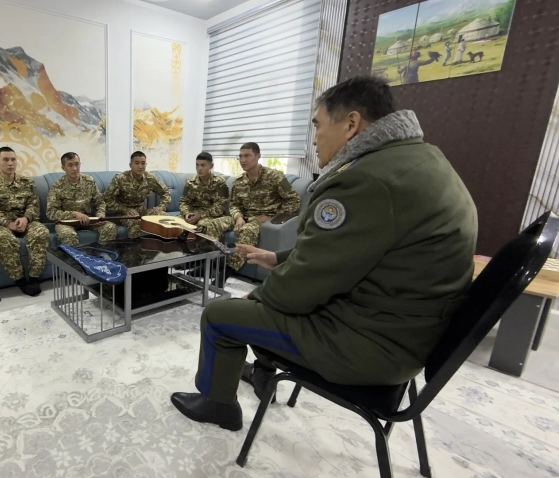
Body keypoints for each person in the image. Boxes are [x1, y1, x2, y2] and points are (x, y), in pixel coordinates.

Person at [170, 75, 478, 431]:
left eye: (317, 125)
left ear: (350, 123)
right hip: (406, 334)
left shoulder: (365, 178)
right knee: (264, 304)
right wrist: (276, 259)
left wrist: (256, 298)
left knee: (220, 314)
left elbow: (303, 286)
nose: (314, 139)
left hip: (369, 345)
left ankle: (218, 405)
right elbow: (346, 251)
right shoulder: (424, 158)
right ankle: (261, 371)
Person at [225, 142, 300, 278]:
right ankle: (205, 261)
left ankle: (225, 272)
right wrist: (238, 217)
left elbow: (293, 200)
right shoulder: (239, 181)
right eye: (240, 156)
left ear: (258, 156)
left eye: (247, 156)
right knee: (211, 224)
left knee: (247, 230)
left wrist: (273, 218)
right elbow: (234, 205)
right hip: (244, 217)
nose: (243, 160)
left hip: (262, 219)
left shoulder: (275, 176)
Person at [0, 146, 49, 297]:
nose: (10, 163)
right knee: (4, 239)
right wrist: (8, 223)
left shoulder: (27, 182)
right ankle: (20, 281)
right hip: (2, 224)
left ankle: (34, 278)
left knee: (41, 232)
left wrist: (26, 218)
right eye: (5, 160)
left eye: (13, 159)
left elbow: (33, 204)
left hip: (25, 221)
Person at [46, 152, 116, 246]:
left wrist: (100, 215)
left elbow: (100, 203)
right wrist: (74, 214)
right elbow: (51, 213)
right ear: (63, 168)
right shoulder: (57, 186)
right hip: (66, 223)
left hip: (88, 220)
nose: (75, 168)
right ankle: (75, 255)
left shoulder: (89, 181)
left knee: (110, 227)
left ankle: (101, 253)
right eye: (70, 165)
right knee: (67, 234)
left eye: (77, 164)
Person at [103, 151, 170, 238]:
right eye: (137, 163)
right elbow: (106, 199)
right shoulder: (120, 179)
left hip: (141, 210)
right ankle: (137, 246)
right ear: (130, 165)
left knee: (165, 217)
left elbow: (165, 192)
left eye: (143, 163)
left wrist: (161, 206)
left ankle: (163, 245)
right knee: (136, 224)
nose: (140, 166)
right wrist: (125, 210)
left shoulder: (151, 178)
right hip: (123, 214)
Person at [178, 152, 232, 240]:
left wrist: (200, 215)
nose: (199, 168)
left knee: (202, 226)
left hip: (212, 216)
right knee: (174, 223)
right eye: (197, 165)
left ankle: (206, 248)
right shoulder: (190, 182)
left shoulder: (220, 183)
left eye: (203, 165)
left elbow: (220, 207)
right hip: (193, 214)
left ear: (211, 166)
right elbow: (183, 202)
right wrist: (186, 213)